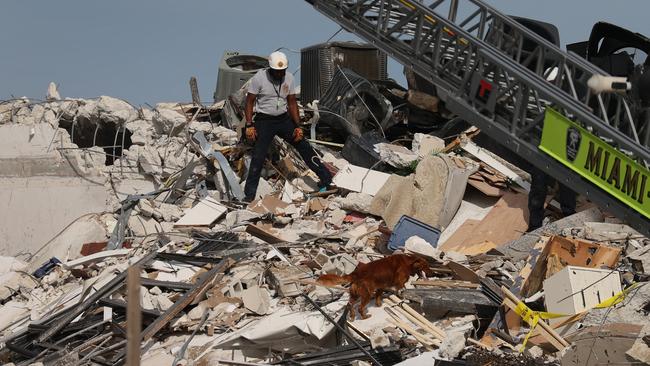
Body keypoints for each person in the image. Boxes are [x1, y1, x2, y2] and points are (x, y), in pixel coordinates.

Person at [243, 51, 332, 202]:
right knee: (258, 157)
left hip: (283, 119)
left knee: (304, 147)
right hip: (264, 121)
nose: (280, 74)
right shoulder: (259, 78)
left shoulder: (289, 78)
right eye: (277, 71)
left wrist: (298, 126)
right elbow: (249, 102)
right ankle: (249, 195)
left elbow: (291, 103)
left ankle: (326, 180)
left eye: (282, 71)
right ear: (271, 69)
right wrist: (249, 125)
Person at [527, 166, 576, 231]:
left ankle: (570, 218)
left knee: (566, 183)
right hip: (543, 158)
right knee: (538, 185)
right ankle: (535, 226)